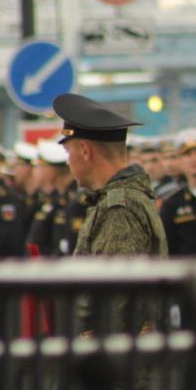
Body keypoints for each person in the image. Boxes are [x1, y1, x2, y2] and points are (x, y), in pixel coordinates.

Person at [54, 93, 168, 332]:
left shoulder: (120, 207)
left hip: (117, 356)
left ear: (85, 151)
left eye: (68, 153)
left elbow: (114, 296)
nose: (68, 163)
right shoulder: (119, 199)